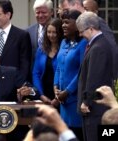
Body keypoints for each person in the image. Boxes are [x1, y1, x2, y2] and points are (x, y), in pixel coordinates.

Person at [76, 11, 115, 141]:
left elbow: (94, 78)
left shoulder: (98, 47)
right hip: (95, 108)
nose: (80, 34)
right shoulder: (99, 44)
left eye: (81, 31)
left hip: (95, 109)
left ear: (91, 28)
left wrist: (86, 102)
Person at [58, 0, 118, 79]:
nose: (63, 13)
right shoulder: (79, 23)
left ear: (76, 5)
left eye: (66, 10)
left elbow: (111, 47)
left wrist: (113, 77)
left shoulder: (95, 20)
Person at [54, 10, 87, 141]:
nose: (63, 25)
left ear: (78, 24)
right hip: (62, 101)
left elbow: (82, 71)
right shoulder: (63, 42)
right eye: (62, 22)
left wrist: (67, 91)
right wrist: (55, 87)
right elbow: (58, 68)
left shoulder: (83, 43)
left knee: (76, 135)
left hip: (74, 100)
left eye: (67, 22)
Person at [0, 0, 31, 81]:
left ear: (8, 14)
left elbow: (25, 65)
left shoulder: (22, 35)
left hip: (14, 85)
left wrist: (19, 85)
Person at [32, 18, 63, 106]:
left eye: (54, 32)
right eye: (49, 32)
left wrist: (58, 98)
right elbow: (36, 73)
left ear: (60, 33)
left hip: (60, 95)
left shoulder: (65, 49)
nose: (51, 35)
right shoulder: (41, 49)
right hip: (44, 94)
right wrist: (41, 95)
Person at [27, 0, 53, 72]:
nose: (40, 15)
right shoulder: (27, 32)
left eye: (44, 12)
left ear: (51, 12)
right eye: (37, 13)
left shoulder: (59, 29)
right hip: (33, 76)